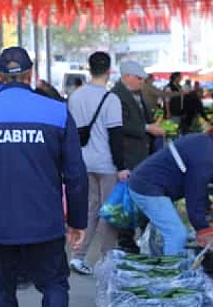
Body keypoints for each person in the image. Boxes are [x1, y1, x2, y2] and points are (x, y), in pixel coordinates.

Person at [0, 47, 88, 307]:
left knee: (2, 293)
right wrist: (77, 221)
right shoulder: (57, 111)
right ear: (30, 74)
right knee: (54, 285)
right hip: (45, 223)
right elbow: (75, 174)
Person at [128, 124, 213, 255]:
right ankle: (172, 267)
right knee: (176, 234)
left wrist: (207, 204)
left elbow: (196, 183)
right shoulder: (207, 159)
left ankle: (160, 260)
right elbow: (194, 197)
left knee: (165, 233)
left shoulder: (202, 141)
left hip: (145, 181)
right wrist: (204, 231)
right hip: (148, 187)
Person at [67, 51, 123, 275]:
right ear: (109, 70)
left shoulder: (75, 96)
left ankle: (78, 256)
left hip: (82, 162)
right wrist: (122, 166)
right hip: (106, 163)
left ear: (89, 69)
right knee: (109, 212)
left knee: (89, 210)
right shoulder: (112, 99)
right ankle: (107, 258)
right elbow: (116, 136)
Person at [112, 61, 165, 253]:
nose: (142, 82)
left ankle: (144, 237)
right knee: (127, 200)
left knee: (141, 197)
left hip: (143, 154)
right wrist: (146, 128)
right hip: (129, 154)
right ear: (126, 76)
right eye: (139, 78)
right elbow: (119, 125)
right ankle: (126, 241)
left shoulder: (137, 94)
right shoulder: (116, 95)